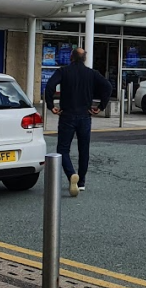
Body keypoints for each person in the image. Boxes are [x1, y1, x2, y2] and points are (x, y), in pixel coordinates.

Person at [44, 47, 112, 197]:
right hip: (85, 116)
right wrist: (101, 106)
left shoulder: (63, 71)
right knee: (84, 149)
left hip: (67, 115)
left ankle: (71, 174)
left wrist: (51, 105)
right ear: (84, 59)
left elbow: (49, 86)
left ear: (71, 57)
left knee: (62, 149)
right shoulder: (91, 73)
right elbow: (108, 86)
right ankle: (81, 182)